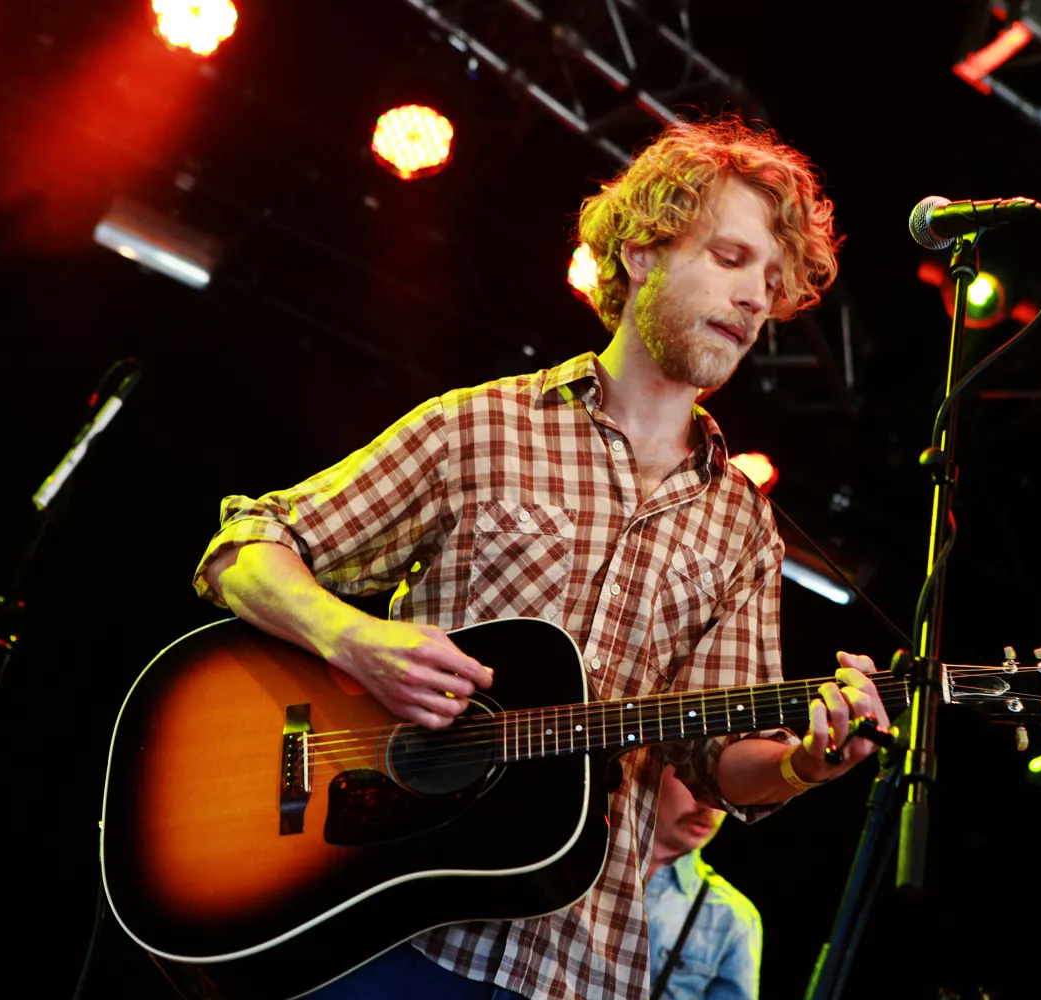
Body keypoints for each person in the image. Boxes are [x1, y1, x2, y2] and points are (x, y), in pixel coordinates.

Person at [194, 117, 891, 1000]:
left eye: (773, 279)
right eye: (729, 257)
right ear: (642, 253)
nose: (757, 297)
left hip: (580, 968)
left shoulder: (744, 531)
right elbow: (246, 547)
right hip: (376, 931)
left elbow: (722, 760)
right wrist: (351, 639)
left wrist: (807, 763)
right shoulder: (479, 423)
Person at [645, 765, 762, 1000]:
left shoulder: (733, 917)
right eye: (692, 781)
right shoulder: (580, 868)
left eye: (723, 790)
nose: (709, 805)